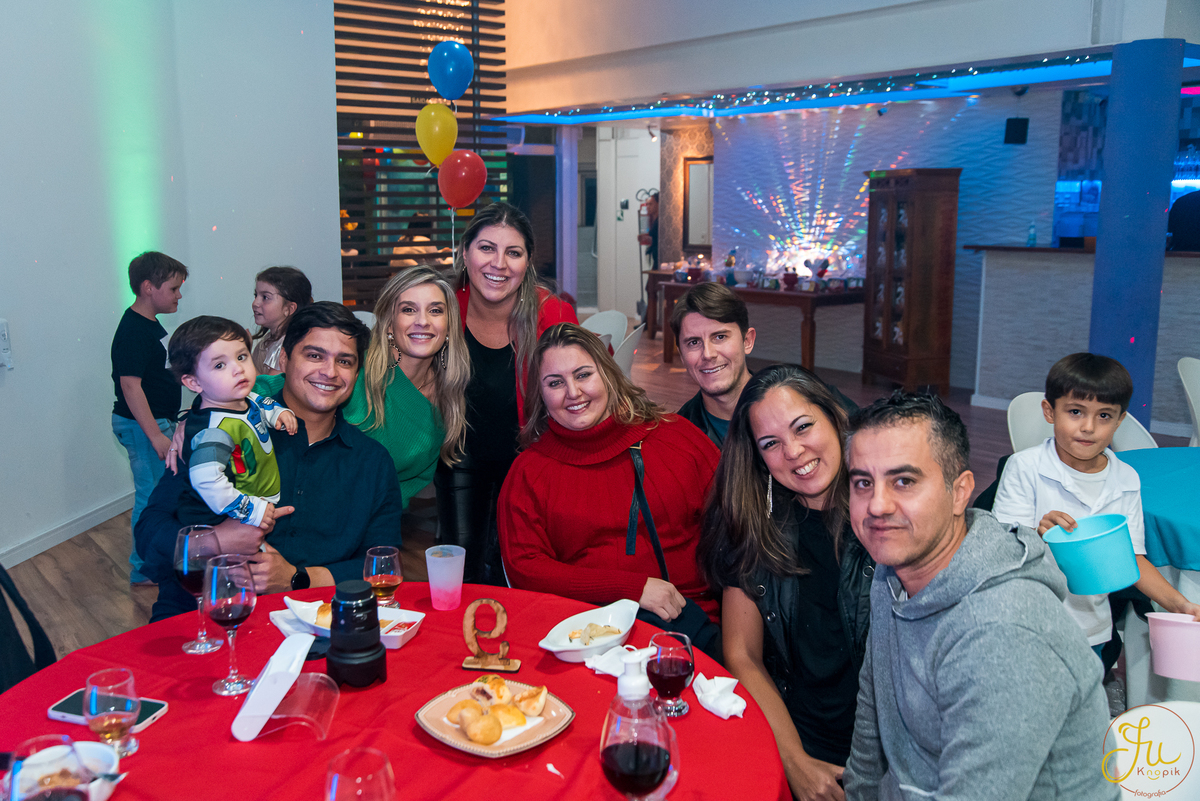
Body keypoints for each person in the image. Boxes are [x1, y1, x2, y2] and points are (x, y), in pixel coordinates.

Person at [843, 392, 1116, 801]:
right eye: (863, 483)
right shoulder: (892, 572)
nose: (877, 506)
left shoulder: (1004, 632)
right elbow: (871, 725)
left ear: (960, 492)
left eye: (904, 481)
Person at [138, 302, 403, 622]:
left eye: (344, 361)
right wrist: (215, 541)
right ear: (284, 359)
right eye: (314, 355)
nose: (330, 372)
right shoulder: (217, 433)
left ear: (356, 374)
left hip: (315, 623)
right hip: (201, 618)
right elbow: (149, 536)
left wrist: (297, 578)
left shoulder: (372, 463)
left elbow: (382, 565)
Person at [699, 365, 872, 801]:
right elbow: (742, 654)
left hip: (884, 751)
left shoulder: (883, 513)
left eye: (803, 427)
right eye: (771, 444)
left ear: (834, 416)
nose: (793, 451)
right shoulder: (754, 526)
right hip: (796, 737)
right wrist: (794, 762)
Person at [499, 323, 721, 656]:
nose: (573, 392)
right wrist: (632, 588)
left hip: (685, 627)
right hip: (582, 633)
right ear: (540, 395)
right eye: (555, 383)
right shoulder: (529, 472)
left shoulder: (677, 439)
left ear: (607, 375)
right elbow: (525, 568)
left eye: (583, 375)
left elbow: (737, 533)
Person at [993, 353, 1200, 671]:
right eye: (1075, 412)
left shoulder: (1126, 479)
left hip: (1090, 629)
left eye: (1104, 416)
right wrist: (1035, 532)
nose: (1088, 427)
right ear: (1049, 411)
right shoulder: (1025, 467)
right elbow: (997, 547)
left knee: (1082, 698)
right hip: (1025, 623)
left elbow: (1131, 558)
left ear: (1119, 420)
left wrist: (1180, 603)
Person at [437, 202, 578, 586]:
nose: (498, 263)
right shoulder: (443, 307)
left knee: (515, 573)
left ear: (527, 262)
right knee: (461, 572)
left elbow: (585, 387)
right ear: (465, 252)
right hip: (458, 453)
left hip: (530, 459)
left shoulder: (553, 314)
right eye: (486, 248)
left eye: (513, 252)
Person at [343, 266, 470, 505]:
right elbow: (280, 389)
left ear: (449, 326)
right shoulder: (355, 372)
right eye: (409, 310)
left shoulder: (449, 393)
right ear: (390, 324)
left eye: (435, 310)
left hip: (379, 520)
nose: (422, 321)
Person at [167, 316, 297, 528]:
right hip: (226, 519)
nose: (238, 368)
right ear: (194, 382)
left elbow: (259, 402)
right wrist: (250, 510)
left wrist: (278, 413)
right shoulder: (214, 431)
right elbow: (207, 480)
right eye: (220, 365)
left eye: (241, 356)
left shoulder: (240, 399)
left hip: (260, 499)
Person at [111, 251, 189, 585]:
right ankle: (143, 568)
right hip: (143, 426)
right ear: (148, 288)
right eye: (173, 288)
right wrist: (156, 434)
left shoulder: (149, 326)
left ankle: (154, 560)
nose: (178, 295)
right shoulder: (134, 331)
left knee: (159, 493)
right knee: (152, 496)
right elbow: (130, 386)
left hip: (155, 423)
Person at [672, 282, 757, 446]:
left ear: (747, 341)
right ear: (681, 355)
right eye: (694, 342)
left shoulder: (791, 409)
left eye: (720, 337)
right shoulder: (679, 437)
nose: (708, 354)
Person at [251, 266, 312, 375]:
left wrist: (243, 355)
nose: (255, 303)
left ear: (289, 308)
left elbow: (272, 385)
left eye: (265, 297)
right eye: (256, 295)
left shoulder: (291, 346)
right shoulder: (265, 342)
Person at [636, 191, 659, 269]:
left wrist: (648, 239)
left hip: (659, 258)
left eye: (651, 204)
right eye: (647, 204)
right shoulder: (652, 220)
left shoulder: (660, 221)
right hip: (655, 257)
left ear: (658, 204)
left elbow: (659, 240)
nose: (648, 207)